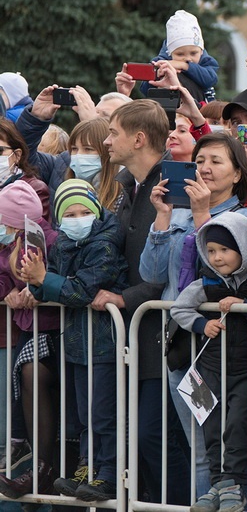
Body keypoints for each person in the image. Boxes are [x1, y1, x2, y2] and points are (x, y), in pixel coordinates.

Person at [141, 132, 247, 496]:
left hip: (224, 350)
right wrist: (164, 219)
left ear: (238, 173)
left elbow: (223, 278)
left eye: (216, 161)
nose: (205, 169)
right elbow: (150, 274)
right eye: (200, 161)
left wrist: (201, 216)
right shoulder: (179, 210)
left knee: (225, 448)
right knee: (199, 447)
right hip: (182, 343)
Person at [88, 100, 191, 504]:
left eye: (113, 133)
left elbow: (167, 265)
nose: (107, 141)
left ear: (139, 138)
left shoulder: (168, 187)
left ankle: (182, 504)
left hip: (160, 330)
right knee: (142, 434)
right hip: (138, 331)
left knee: (155, 434)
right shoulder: (132, 185)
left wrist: (123, 296)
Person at [19, 180, 129, 502]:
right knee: (84, 413)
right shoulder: (63, 242)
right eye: (70, 213)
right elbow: (52, 281)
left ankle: (108, 472)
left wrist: (44, 280)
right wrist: (35, 281)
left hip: (105, 342)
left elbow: (81, 290)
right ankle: (87, 467)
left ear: (96, 212)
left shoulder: (105, 244)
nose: (77, 218)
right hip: (78, 344)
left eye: (84, 211)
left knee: (103, 412)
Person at [171, 212, 247, 512]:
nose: (217, 258)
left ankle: (235, 481)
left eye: (225, 250)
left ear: (244, 247)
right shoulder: (206, 284)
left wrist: (245, 306)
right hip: (211, 369)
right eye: (212, 251)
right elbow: (179, 309)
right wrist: (202, 325)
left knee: (239, 424)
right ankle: (218, 484)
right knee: (212, 425)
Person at [0, 183, 59, 499]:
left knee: (30, 374)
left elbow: (60, 276)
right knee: (20, 378)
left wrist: (38, 289)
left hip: (52, 330)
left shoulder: (49, 241)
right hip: (26, 329)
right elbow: (3, 278)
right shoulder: (10, 247)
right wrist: (7, 291)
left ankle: (42, 466)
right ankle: (26, 452)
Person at [139, 10, 219, 102]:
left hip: (201, 107)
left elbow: (211, 80)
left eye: (193, 53)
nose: (188, 58)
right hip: (169, 106)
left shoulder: (205, 61)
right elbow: (145, 91)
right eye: (180, 54)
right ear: (170, 53)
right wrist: (156, 75)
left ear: (201, 51)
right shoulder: (161, 62)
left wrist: (185, 66)